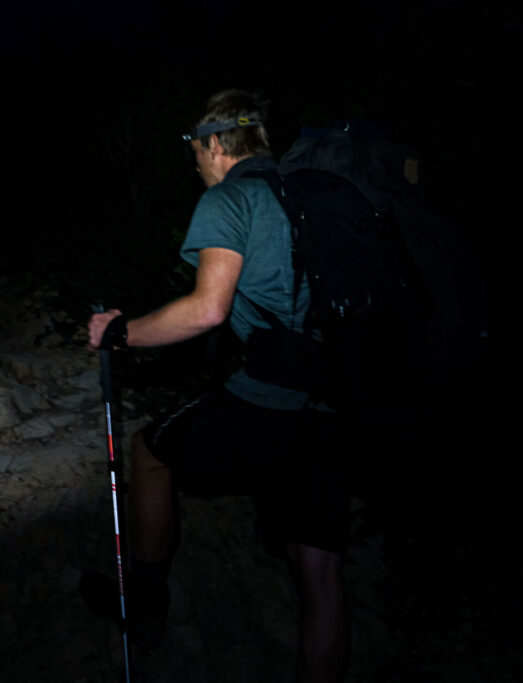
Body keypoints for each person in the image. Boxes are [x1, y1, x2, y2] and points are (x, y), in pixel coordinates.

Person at [85, 89, 349, 682]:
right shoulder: (307, 192)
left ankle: (143, 611)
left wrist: (120, 333)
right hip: (335, 398)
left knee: (150, 452)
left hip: (271, 395)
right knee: (320, 571)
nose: (195, 161)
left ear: (213, 144)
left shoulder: (232, 198)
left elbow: (207, 310)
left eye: (194, 149)